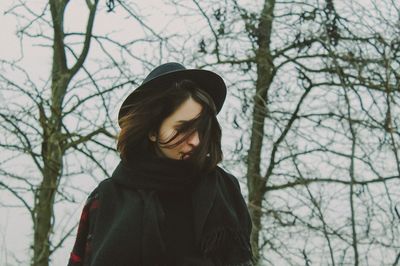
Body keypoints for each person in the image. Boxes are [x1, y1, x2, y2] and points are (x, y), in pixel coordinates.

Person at [67, 63, 253, 266]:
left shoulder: (224, 189)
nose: (196, 141)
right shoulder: (108, 196)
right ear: (153, 130)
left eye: (201, 130)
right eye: (184, 129)